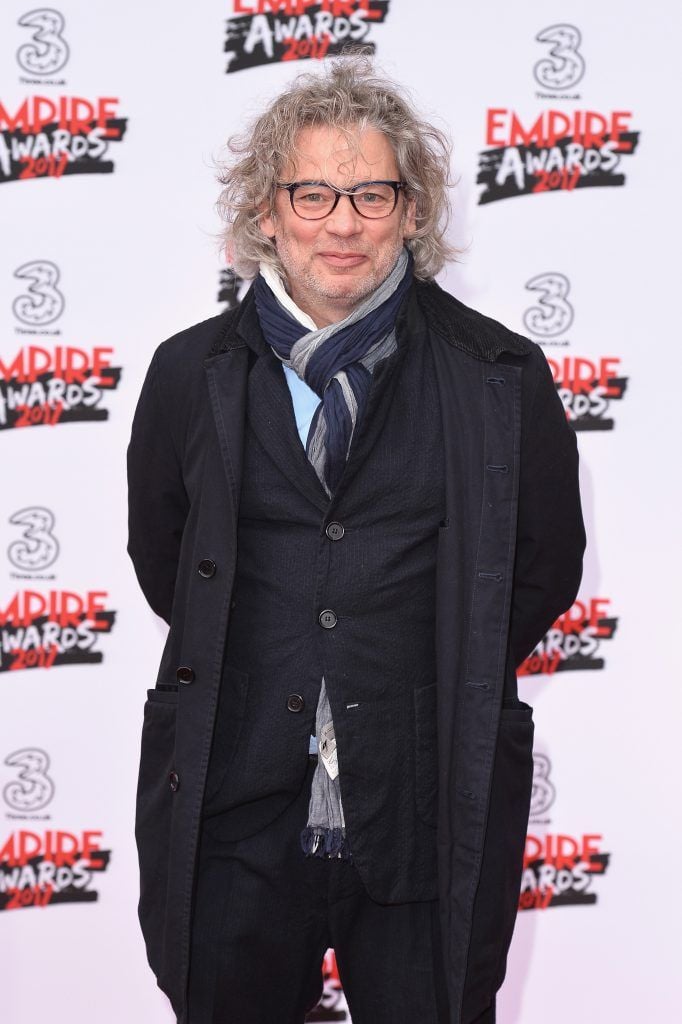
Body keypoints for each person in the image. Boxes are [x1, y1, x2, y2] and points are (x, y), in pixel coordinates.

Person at [127, 57, 585, 1024]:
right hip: (233, 806)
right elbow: (165, 558)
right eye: (313, 193)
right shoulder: (186, 374)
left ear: (414, 214)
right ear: (265, 211)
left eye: (372, 193)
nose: (343, 223)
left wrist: (427, 677)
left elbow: (543, 565)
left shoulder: (499, 375)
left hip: (426, 803)